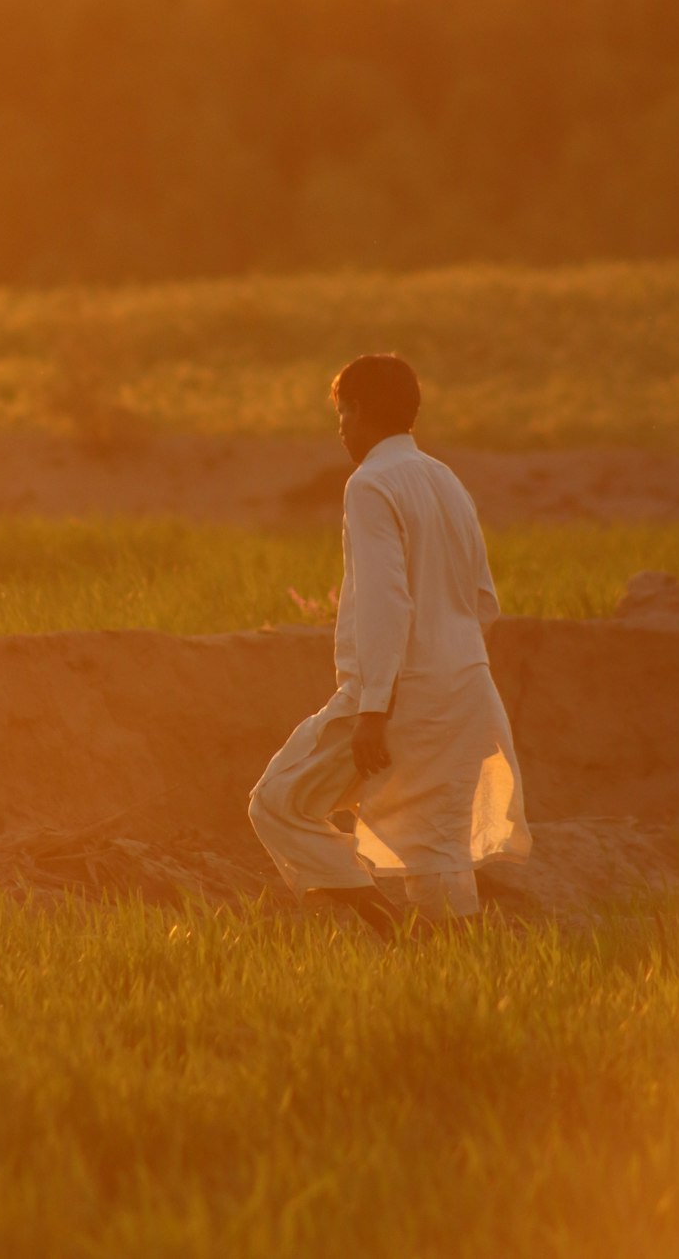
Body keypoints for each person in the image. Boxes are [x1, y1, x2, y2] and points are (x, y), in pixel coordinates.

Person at [249, 353, 531, 937]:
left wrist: (375, 707)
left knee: (278, 802)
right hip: (467, 690)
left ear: (361, 412)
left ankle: (384, 924)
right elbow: (484, 600)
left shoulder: (371, 484)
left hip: (398, 694)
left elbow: (386, 602)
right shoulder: (445, 479)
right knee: (438, 859)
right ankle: (446, 970)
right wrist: (450, 664)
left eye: (343, 413)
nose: (341, 428)